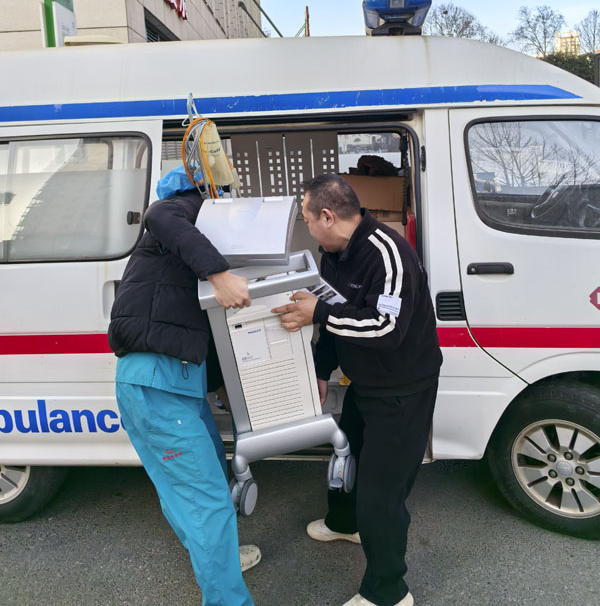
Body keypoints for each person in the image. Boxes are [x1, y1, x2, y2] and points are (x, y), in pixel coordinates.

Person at [273, 173, 442, 606]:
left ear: (328, 216)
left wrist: (319, 314)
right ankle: (345, 523)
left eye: (308, 219)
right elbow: (335, 309)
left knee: (381, 496)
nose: (308, 228)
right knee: (345, 457)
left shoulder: (388, 254)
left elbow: (386, 328)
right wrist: (321, 368)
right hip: (365, 384)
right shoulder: (332, 253)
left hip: (402, 390)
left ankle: (389, 592)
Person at [108, 166, 259, 606]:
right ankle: (227, 597)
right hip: (159, 385)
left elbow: (199, 331)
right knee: (205, 500)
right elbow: (159, 214)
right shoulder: (179, 209)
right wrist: (219, 273)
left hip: (172, 385)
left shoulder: (174, 256)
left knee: (193, 488)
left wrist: (223, 387)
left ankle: (219, 561)